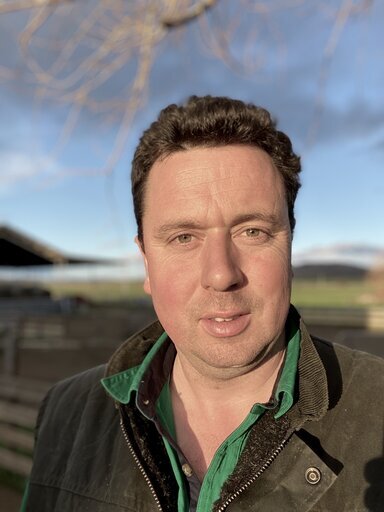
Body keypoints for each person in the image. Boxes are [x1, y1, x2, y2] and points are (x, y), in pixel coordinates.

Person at [23, 96, 384, 511]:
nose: (221, 274)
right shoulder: (66, 414)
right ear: (146, 263)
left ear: (288, 245)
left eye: (252, 232)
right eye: (183, 238)